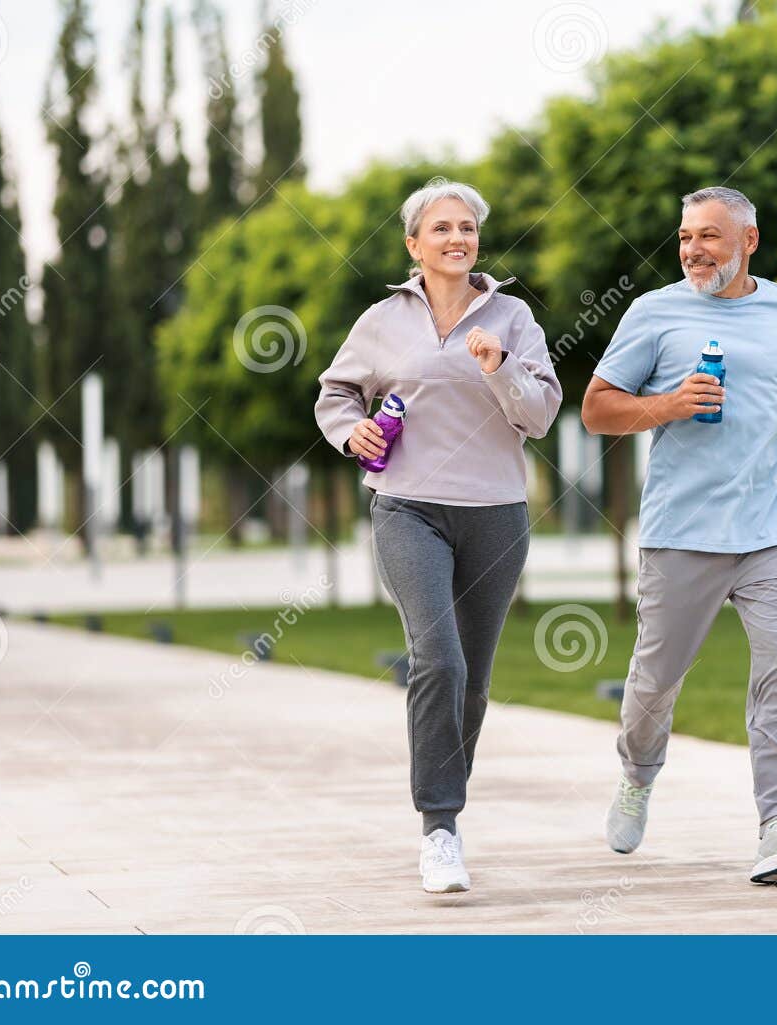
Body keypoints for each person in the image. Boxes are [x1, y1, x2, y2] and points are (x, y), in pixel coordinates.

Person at [581, 185, 777, 884]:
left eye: (710, 237)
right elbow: (597, 409)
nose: (693, 249)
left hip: (773, 527)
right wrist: (667, 404)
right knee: (657, 681)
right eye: (686, 237)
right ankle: (637, 775)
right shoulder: (654, 312)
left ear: (749, 241)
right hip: (683, 533)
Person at [314, 180, 562, 894]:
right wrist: (349, 432)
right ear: (413, 245)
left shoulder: (512, 317)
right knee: (439, 660)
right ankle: (440, 828)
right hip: (407, 507)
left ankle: (446, 810)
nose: (458, 237)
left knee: (474, 684)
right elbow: (335, 393)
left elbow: (542, 414)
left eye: (468, 227)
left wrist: (501, 368)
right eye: (442, 227)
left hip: (495, 512)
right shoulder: (382, 319)